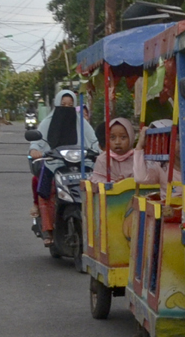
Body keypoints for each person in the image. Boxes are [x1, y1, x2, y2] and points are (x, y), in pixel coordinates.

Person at [29, 89, 99, 245]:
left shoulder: (82, 122)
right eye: (63, 105)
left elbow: (93, 141)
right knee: (44, 190)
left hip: (81, 165)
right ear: (56, 105)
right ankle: (47, 229)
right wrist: (35, 149)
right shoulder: (48, 122)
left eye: (70, 105)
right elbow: (38, 141)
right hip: (54, 164)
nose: (66, 108)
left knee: (96, 190)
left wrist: (100, 150)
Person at [133, 120, 185, 201]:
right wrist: (139, 146)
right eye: (178, 139)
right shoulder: (162, 168)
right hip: (169, 212)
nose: (182, 144)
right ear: (169, 141)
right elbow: (141, 178)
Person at [89, 117, 135, 184]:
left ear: (131, 138)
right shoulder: (103, 159)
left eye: (123, 137)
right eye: (112, 137)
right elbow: (97, 181)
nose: (117, 142)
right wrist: (114, 183)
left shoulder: (138, 158)